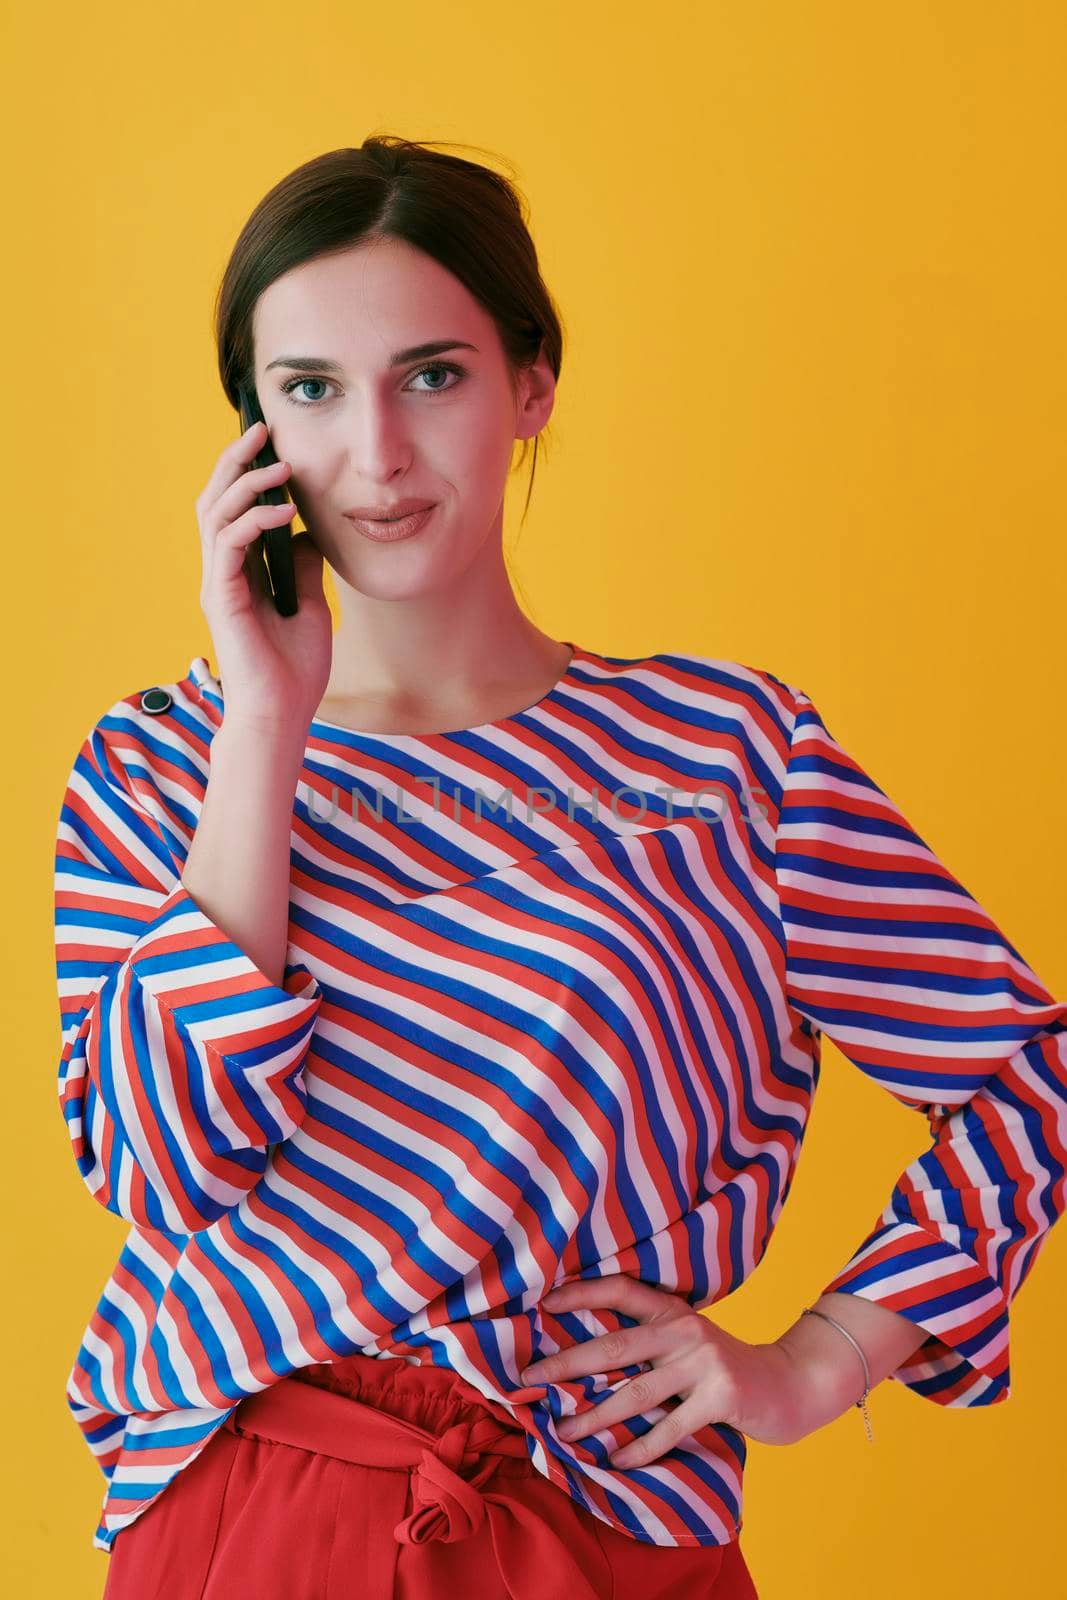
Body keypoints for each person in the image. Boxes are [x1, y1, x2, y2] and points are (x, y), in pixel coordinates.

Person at [53, 137, 1066, 1600]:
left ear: (532, 384)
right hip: (248, 1513)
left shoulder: (727, 756)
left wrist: (820, 1359)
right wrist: (264, 724)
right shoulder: (160, 768)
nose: (378, 456)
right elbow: (166, 1173)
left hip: (594, 1518)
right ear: (255, 433)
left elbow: (1024, 1078)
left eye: (434, 375)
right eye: (312, 391)